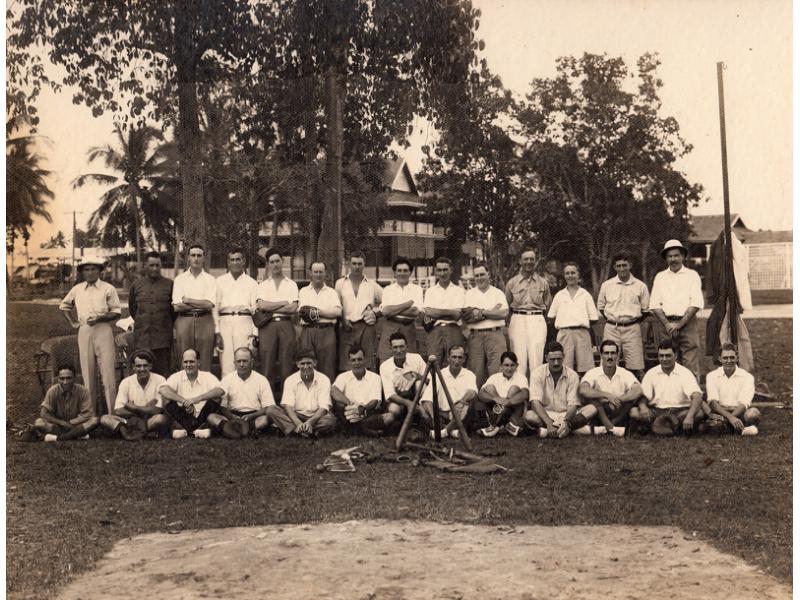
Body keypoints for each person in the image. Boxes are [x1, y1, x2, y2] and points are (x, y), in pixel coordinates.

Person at [59, 256, 121, 415]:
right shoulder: (77, 289)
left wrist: (100, 318)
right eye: (86, 269)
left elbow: (116, 312)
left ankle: (112, 415)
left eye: (93, 269)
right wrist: (73, 322)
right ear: (82, 272)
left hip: (103, 330)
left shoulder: (108, 288)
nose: (90, 272)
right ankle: (91, 416)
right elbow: (64, 306)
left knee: (108, 374)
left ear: (99, 271)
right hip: (85, 331)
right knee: (88, 373)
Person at [207, 347, 294, 438]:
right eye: (239, 361)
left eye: (245, 361)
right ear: (234, 363)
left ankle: (232, 431)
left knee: (266, 419)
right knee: (212, 417)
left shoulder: (261, 379)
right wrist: (232, 417)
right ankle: (246, 431)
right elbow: (223, 407)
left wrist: (252, 415)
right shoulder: (227, 379)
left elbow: (267, 406)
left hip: (254, 416)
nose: (241, 364)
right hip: (232, 416)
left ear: (252, 362)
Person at [649, 239, 704, 379]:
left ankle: (693, 395)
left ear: (683, 256)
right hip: (665, 324)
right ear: (666, 258)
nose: (673, 259)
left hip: (688, 323)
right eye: (670, 256)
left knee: (690, 359)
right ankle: (670, 393)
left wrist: (680, 324)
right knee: (668, 359)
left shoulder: (692, 275)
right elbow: (655, 304)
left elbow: (696, 302)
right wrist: (668, 324)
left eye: (676, 255)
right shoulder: (660, 277)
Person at [631, 340, 707, 435]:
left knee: (698, 413)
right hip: (657, 411)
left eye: (668, 355)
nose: (664, 359)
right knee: (634, 412)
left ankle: (657, 428)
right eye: (661, 356)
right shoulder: (651, 373)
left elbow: (697, 396)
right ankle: (676, 429)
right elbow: (643, 396)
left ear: (675, 356)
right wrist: (643, 407)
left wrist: (690, 416)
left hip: (680, 411)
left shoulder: (685, 373)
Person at [596, 251, 650, 379]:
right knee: (607, 363)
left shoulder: (640, 286)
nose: (622, 269)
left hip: (632, 329)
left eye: (624, 265)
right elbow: (601, 307)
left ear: (630, 265)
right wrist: (614, 320)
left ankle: (639, 394)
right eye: (618, 266)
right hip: (611, 329)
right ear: (614, 267)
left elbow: (645, 310)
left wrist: (631, 321)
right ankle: (606, 392)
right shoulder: (607, 285)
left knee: (636, 365)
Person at [99, 349, 170, 438]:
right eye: (138, 366)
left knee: (160, 419)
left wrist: (134, 407)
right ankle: (141, 432)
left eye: (145, 366)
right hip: (130, 421)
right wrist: (145, 409)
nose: (142, 369)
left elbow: (157, 410)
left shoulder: (160, 380)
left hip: (149, 420)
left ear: (150, 366)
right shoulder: (126, 382)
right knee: (104, 418)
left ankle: (128, 433)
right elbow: (118, 410)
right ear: (133, 367)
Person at [255, 248, 298, 389]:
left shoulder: (291, 284)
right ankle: (269, 402)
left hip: (286, 325)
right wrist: (282, 303)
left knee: (287, 365)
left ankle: (287, 401)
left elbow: (292, 309)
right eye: (272, 262)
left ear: (282, 261)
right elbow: (261, 306)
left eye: (277, 261)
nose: (275, 265)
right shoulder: (262, 285)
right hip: (268, 326)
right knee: (267, 365)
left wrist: (271, 307)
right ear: (268, 264)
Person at [579, 340, 643, 435]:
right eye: (606, 353)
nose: (609, 357)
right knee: (593, 400)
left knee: (631, 402)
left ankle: (609, 427)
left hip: (619, 409)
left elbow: (638, 390)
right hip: (600, 410)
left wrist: (618, 399)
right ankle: (611, 427)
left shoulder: (624, 373)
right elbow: (583, 390)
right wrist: (607, 396)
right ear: (601, 355)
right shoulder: (593, 372)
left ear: (618, 355)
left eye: (613, 353)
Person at [505, 248, 552, 378]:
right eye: (526, 259)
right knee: (518, 358)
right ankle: (521, 392)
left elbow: (548, 306)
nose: (529, 262)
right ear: (520, 261)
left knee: (536, 357)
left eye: (532, 259)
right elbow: (506, 306)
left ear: (535, 261)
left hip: (537, 319)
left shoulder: (543, 283)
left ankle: (535, 395)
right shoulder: (512, 283)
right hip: (518, 319)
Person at [159, 348, 225, 438]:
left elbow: (220, 391)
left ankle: (186, 431)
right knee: (166, 398)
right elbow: (163, 389)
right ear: (182, 363)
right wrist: (183, 401)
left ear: (198, 362)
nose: (188, 365)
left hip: (203, 416)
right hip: (182, 416)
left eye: (192, 362)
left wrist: (198, 399)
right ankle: (197, 431)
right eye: (186, 362)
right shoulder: (176, 376)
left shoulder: (207, 376)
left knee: (216, 398)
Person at [546, 262, 599, 375]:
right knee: (565, 367)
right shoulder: (559, 295)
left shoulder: (585, 294)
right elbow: (551, 316)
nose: (570, 275)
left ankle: (584, 390)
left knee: (586, 368)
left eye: (573, 273)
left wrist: (579, 323)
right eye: (567, 273)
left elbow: (594, 318)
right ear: (564, 276)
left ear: (578, 275)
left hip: (582, 333)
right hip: (564, 333)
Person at [463, 261, 509, 388]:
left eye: (482, 274)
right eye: (476, 275)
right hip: (475, 336)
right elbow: (468, 317)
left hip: (495, 335)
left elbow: (503, 313)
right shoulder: (469, 294)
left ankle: (496, 406)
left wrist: (480, 312)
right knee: (475, 373)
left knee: (497, 372)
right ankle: (477, 406)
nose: (479, 278)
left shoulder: (498, 293)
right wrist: (491, 312)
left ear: (488, 274)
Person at [335, 251, 383, 371]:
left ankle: (368, 388)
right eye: (354, 263)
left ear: (364, 264)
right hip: (347, 326)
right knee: (347, 362)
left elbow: (387, 301)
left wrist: (376, 313)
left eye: (359, 264)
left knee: (367, 361)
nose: (357, 267)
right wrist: (343, 320)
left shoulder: (372, 285)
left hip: (366, 326)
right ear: (349, 264)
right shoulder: (340, 283)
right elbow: (336, 305)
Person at [128, 251, 174, 376]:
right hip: (142, 338)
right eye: (151, 265)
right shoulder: (136, 285)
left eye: (157, 265)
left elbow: (173, 312)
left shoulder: (170, 284)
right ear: (145, 266)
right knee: (143, 372)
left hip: (163, 339)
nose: (155, 268)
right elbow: (133, 309)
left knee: (163, 374)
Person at [172, 244, 217, 371]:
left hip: (205, 321)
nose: (196, 258)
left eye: (199, 255)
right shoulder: (180, 280)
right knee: (185, 359)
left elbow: (209, 304)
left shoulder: (210, 280)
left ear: (204, 258)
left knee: (204, 359)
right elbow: (177, 307)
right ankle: (185, 389)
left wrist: (188, 300)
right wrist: (200, 303)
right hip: (184, 321)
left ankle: (204, 389)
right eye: (193, 255)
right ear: (188, 258)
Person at [215, 248, 258, 377]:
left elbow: (256, 310)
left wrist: (255, 333)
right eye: (232, 260)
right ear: (228, 262)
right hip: (225, 323)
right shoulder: (219, 282)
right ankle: (225, 396)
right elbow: (215, 309)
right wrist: (217, 332)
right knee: (227, 363)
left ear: (243, 261)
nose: (235, 263)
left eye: (238, 259)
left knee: (243, 360)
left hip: (244, 322)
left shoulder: (252, 283)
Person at [420, 344, 477, 440]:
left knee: (469, 405)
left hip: (460, 412)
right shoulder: (440, 374)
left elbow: (472, 392)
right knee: (423, 411)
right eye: (454, 357)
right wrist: (435, 418)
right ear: (448, 358)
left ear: (464, 359)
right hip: (442, 415)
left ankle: (445, 432)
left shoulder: (469, 374)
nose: (457, 361)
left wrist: (461, 402)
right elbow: (426, 399)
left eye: (460, 357)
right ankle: (453, 432)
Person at [29, 364, 99, 442]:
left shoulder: (83, 391)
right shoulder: (53, 391)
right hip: (58, 426)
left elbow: (88, 414)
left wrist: (71, 423)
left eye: (69, 378)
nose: (65, 382)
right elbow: (43, 413)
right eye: (62, 378)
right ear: (58, 379)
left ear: (74, 378)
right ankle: (77, 435)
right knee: (39, 423)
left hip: (76, 425)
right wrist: (62, 423)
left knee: (94, 420)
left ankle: (57, 438)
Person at [297, 262, 342, 381]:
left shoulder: (331, 292)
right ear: (310, 273)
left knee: (328, 366)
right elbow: (303, 313)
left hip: (326, 330)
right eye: (315, 272)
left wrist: (317, 312)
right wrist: (326, 313)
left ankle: (326, 398)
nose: (318, 275)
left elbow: (337, 312)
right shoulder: (303, 291)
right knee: (307, 364)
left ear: (325, 273)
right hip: (308, 331)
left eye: (321, 272)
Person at [278, 350, 338, 437]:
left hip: (316, 416)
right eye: (302, 363)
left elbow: (324, 407)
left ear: (315, 363)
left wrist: (310, 422)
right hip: (296, 416)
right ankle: (310, 432)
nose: (306, 366)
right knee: (272, 410)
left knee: (330, 420)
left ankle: (296, 431)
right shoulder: (290, 380)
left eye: (309, 363)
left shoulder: (324, 379)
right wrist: (298, 423)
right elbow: (288, 406)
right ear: (297, 364)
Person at [377, 332, 428, 433]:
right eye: (395, 347)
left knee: (420, 385)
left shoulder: (416, 358)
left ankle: (425, 419)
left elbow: (430, 380)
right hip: (399, 399)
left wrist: (415, 375)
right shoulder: (385, 366)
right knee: (394, 409)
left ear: (407, 346)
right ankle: (401, 425)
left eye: (401, 346)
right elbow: (390, 395)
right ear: (390, 348)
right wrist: (409, 404)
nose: (399, 351)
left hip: (417, 397)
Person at [705, 343, 760, 435]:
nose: (729, 361)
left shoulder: (747, 377)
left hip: (739, 411)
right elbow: (713, 403)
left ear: (737, 358)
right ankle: (740, 429)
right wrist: (730, 418)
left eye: (732, 357)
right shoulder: (711, 376)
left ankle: (728, 426)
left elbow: (744, 403)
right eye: (725, 358)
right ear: (720, 359)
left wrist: (731, 418)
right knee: (713, 425)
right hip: (721, 412)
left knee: (753, 413)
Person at [376, 257, 424, 362]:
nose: (402, 273)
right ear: (395, 273)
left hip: (408, 329)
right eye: (399, 270)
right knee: (386, 360)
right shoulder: (388, 290)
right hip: (389, 327)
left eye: (405, 270)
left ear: (410, 272)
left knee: (409, 361)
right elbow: (385, 311)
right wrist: (407, 304)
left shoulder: (417, 289)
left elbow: (415, 312)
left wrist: (393, 309)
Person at [422, 257, 466, 365]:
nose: (442, 273)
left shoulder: (459, 291)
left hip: (453, 329)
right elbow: (429, 312)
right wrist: (450, 311)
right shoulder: (430, 291)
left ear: (451, 270)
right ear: (435, 271)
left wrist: (438, 312)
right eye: (439, 270)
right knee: (433, 363)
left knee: (454, 363)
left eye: (445, 269)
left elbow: (457, 315)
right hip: (434, 330)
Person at [331, 345, 384, 434]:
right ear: (349, 362)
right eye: (353, 360)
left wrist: (361, 409)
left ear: (365, 359)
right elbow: (334, 391)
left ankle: (354, 429)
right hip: (349, 411)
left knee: (386, 418)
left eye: (359, 359)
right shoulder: (343, 376)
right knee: (340, 406)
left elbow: (374, 400)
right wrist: (351, 404)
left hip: (367, 411)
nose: (357, 363)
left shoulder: (375, 377)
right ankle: (364, 430)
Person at [476, 351, 529, 437]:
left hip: (513, 415)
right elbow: (481, 394)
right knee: (489, 388)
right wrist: (496, 399)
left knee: (514, 389)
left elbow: (525, 394)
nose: (509, 368)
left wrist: (508, 402)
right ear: (501, 366)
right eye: (506, 365)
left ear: (517, 366)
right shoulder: (494, 377)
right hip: (496, 411)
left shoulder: (521, 378)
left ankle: (494, 428)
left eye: (512, 365)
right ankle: (505, 426)